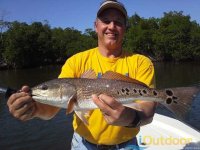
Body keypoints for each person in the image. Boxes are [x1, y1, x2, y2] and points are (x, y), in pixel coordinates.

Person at [7, 0, 157, 149]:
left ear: (125, 28)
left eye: (118, 22)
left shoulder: (141, 62)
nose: (111, 26)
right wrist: (33, 109)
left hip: (127, 145)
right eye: (106, 21)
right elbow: (51, 110)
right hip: (83, 144)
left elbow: (148, 109)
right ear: (96, 26)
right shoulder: (76, 61)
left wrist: (130, 118)